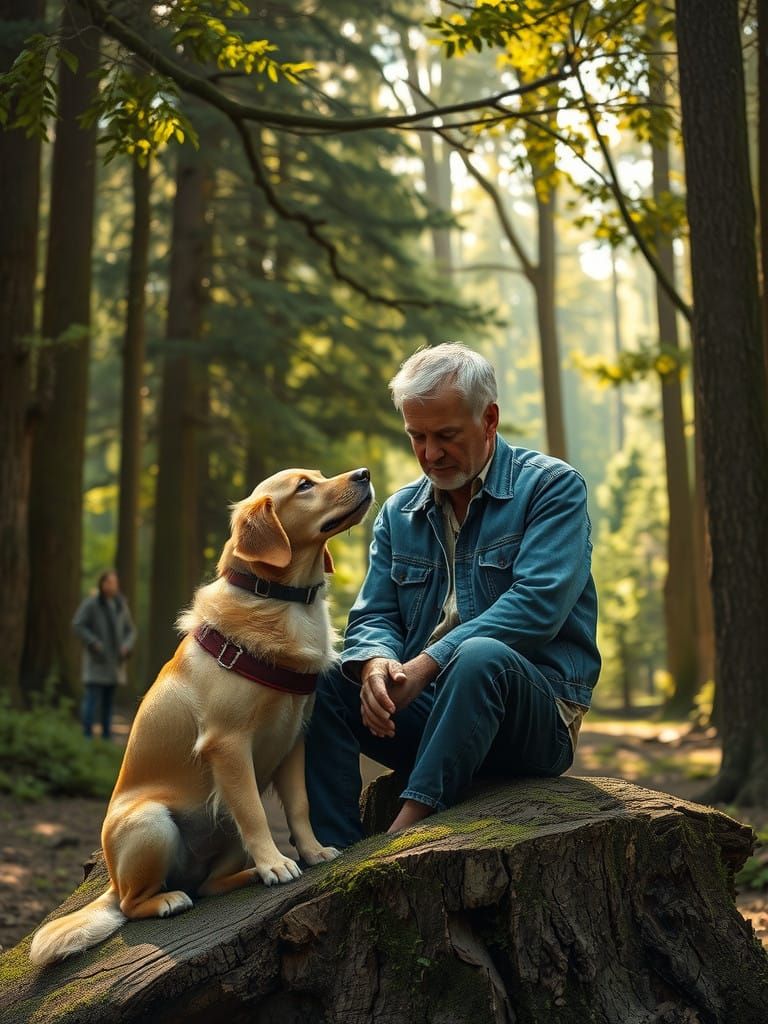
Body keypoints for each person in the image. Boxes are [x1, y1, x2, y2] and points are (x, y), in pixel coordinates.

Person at [305, 343, 601, 848]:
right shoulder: (399, 513)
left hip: (532, 723)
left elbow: (537, 607)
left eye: (445, 435)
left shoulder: (552, 488)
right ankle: (335, 854)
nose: (430, 454)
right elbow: (374, 614)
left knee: (479, 655)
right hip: (431, 718)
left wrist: (423, 665)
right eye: (416, 437)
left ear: (489, 419)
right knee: (327, 674)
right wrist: (376, 664)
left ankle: (403, 834)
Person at [72, 570, 136, 740]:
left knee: (109, 701)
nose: (113, 586)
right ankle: (87, 736)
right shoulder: (92, 604)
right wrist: (93, 642)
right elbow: (78, 624)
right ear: (102, 584)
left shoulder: (120, 604)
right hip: (97, 660)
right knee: (92, 699)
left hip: (115, 662)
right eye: (110, 583)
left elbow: (130, 630)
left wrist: (126, 646)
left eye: (115, 583)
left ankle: (107, 736)